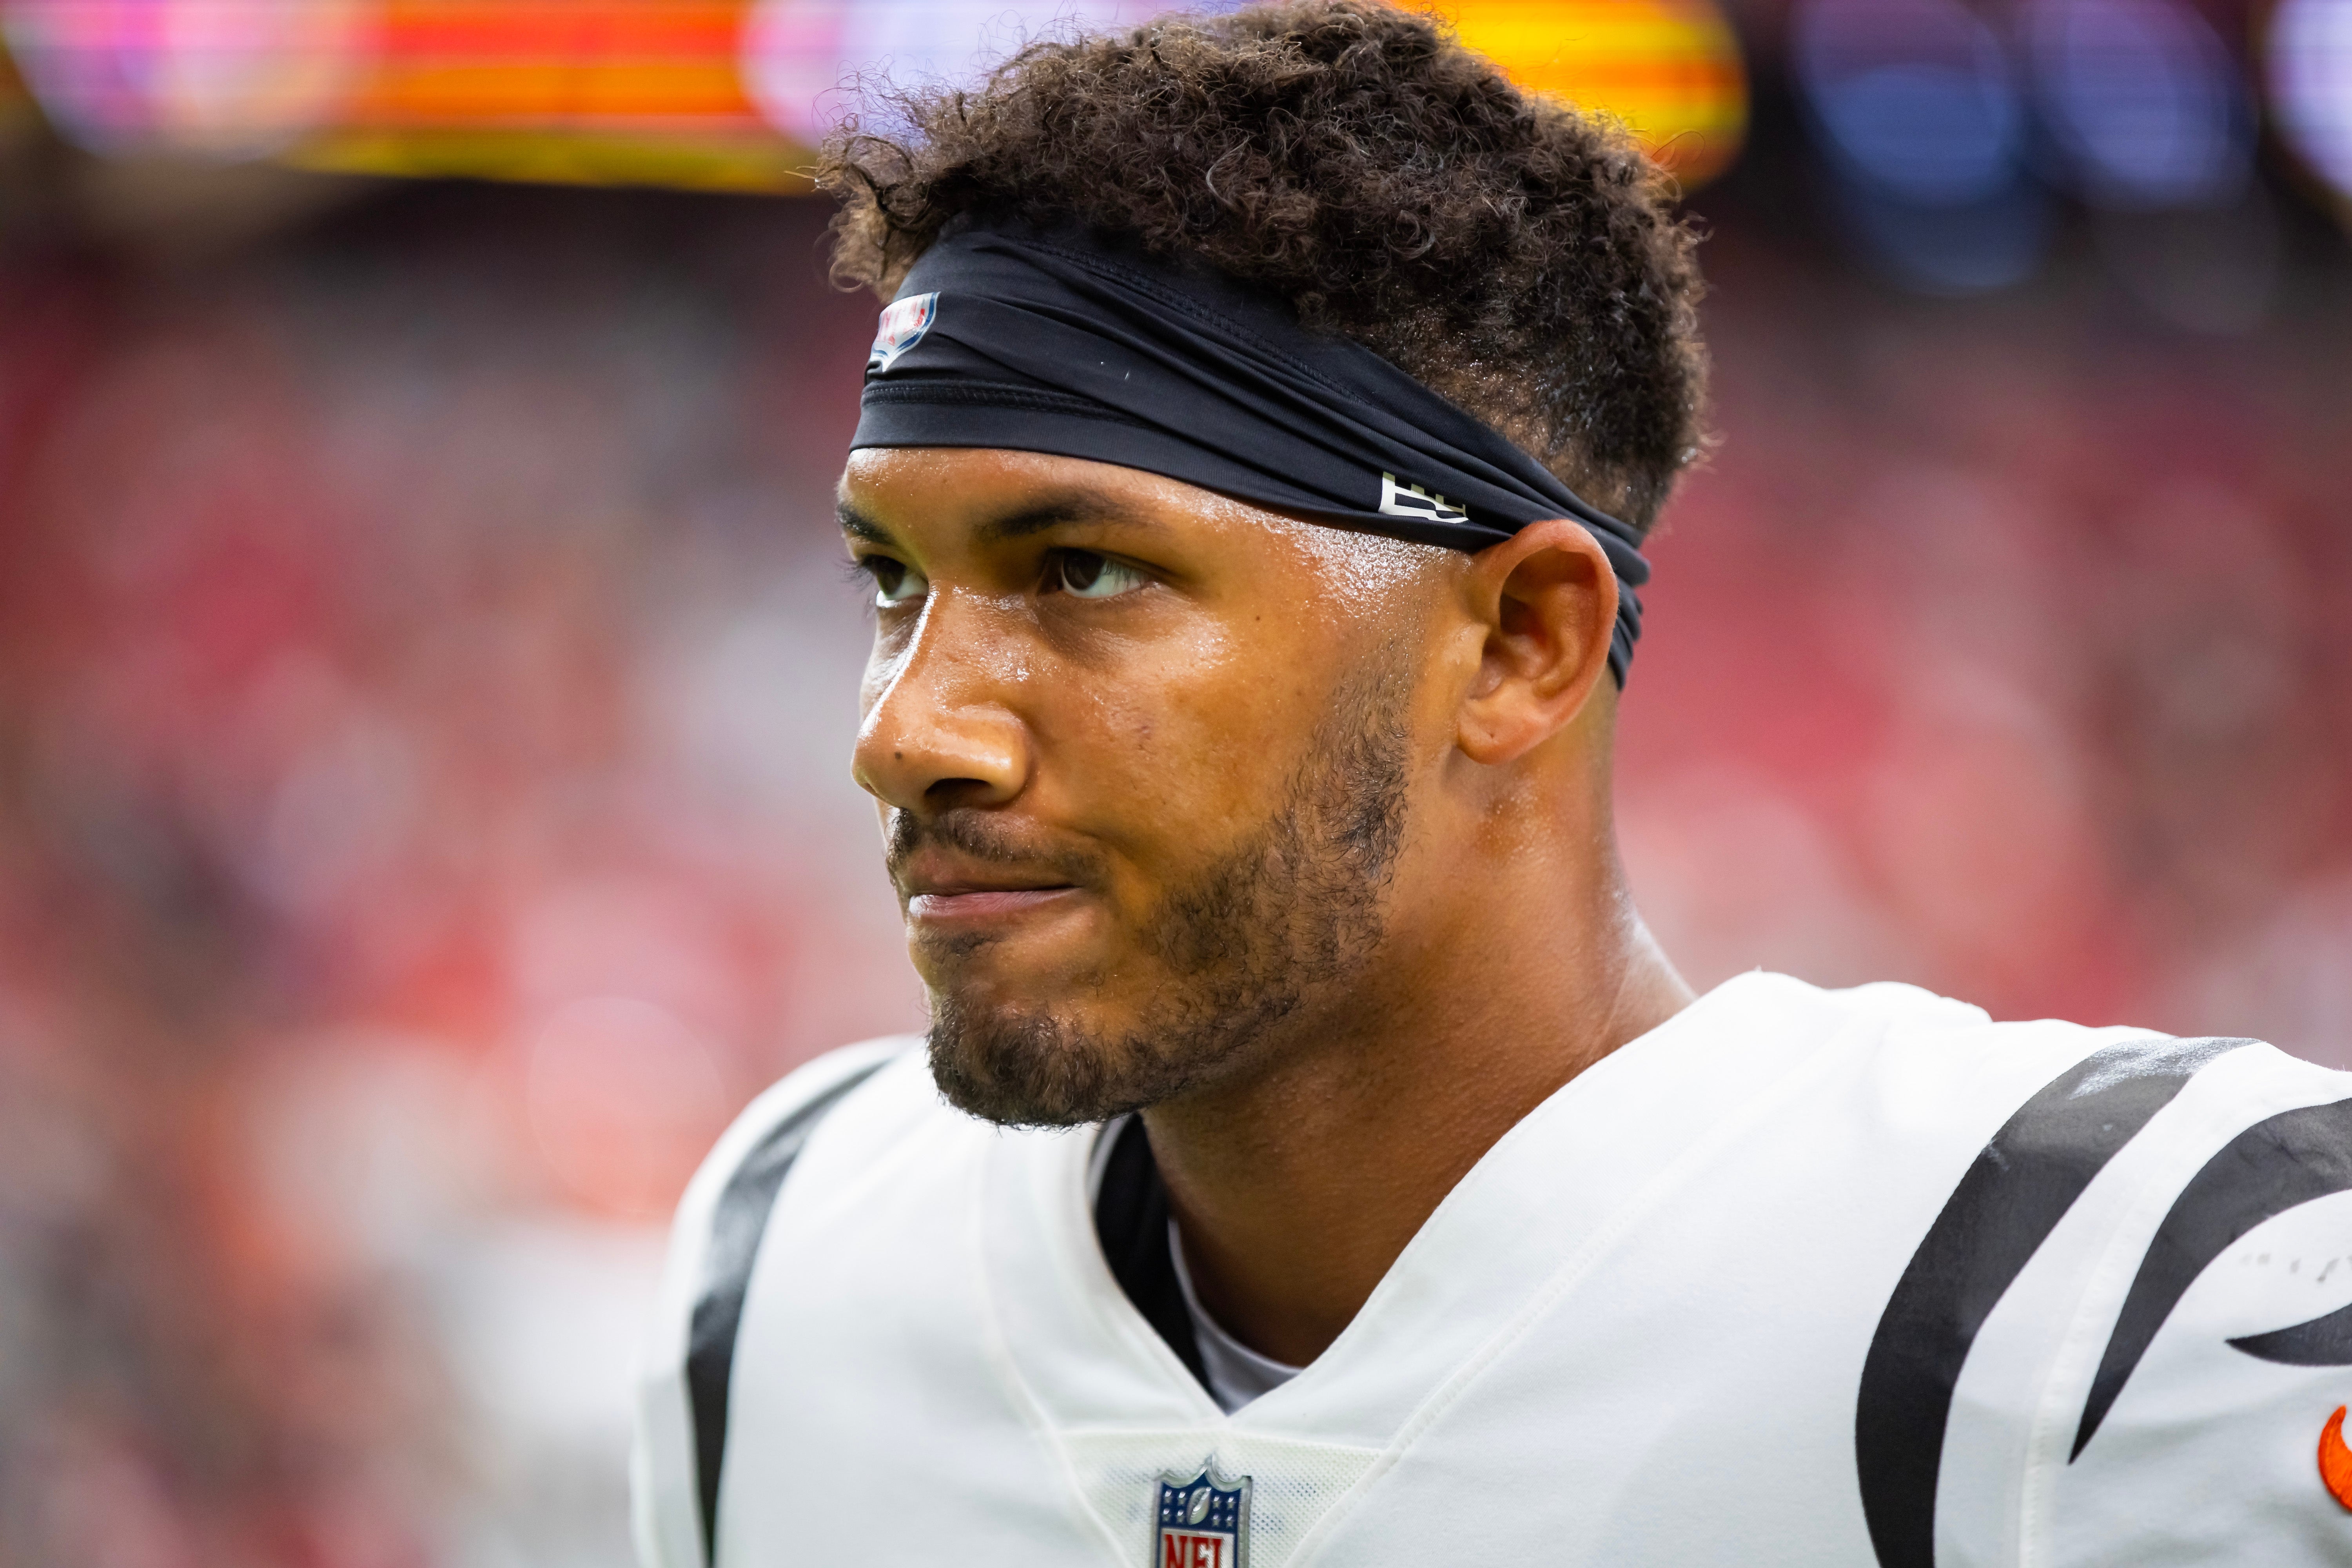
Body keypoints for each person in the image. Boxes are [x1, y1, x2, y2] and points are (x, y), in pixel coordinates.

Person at [630, 4, 2352, 1564]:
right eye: (888, 578)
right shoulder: (785, 1265)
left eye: (1084, 569)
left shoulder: (2120, 1295)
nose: (906, 727)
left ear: (1523, 641)